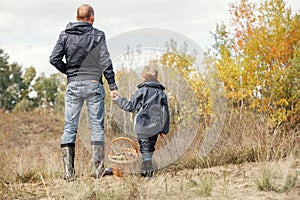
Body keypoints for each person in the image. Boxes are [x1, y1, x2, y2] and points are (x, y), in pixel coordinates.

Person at [49, 4, 118, 180]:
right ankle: (98, 169)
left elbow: (54, 58)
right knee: (96, 127)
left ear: (77, 16)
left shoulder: (65, 35)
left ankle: (69, 173)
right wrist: (112, 86)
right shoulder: (98, 35)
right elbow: (105, 61)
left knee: (69, 127)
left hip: (74, 85)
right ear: (92, 17)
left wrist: (69, 72)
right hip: (94, 83)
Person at [112, 66, 170, 178]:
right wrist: (164, 129)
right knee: (149, 147)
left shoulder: (140, 92)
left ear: (143, 78)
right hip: (156, 126)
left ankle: (147, 171)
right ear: (156, 77)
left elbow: (131, 106)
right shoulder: (162, 94)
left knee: (145, 147)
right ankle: (146, 169)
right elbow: (165, 113)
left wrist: (119, 100)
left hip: (142, 126)